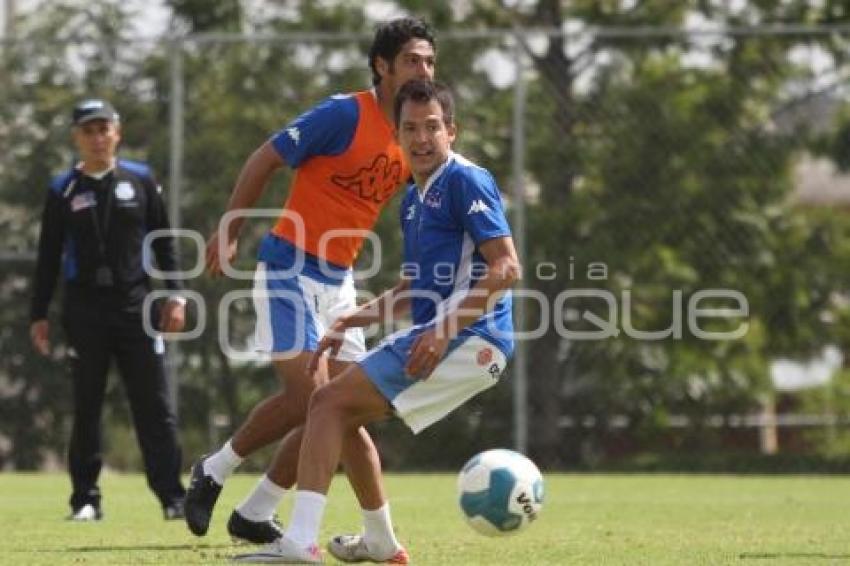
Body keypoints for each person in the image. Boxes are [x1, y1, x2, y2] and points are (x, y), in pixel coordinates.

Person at [232, 79, 520, 563]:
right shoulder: (413, 199)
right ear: (397, 133)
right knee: (341, 416)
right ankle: (382, 542)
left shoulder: (465, 179)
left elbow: (507, 267)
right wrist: (349, 320)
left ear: (452, 130)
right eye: (410, 128)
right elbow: (413, 289)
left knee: (326, 402)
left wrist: (444, 329)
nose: (421, 138)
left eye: (432, 127)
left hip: (472, 337)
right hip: (462, 340)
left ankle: (299, 542)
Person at [184, 18, 436, 557]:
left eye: (431, 62)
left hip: (340, 283)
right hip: (288, 269)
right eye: (414, 60)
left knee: (343, 409)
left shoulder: (414, 133)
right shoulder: (344, 114)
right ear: (382, 66)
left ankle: (256, 511)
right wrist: (229, 228)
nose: (425, 70)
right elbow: (266, 157)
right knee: (314, 399)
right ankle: (218, 469)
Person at [29, 99, 188, 521]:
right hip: (84, 311)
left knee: (154, 404)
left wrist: (176, 294)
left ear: (117, 132)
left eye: (104, 129)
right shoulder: (62, 188)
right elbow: (48, 256)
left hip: (136, 306)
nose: (98, 137)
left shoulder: (140, 179)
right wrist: (38, 314)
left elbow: (164, 242)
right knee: (87, 405)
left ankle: (173, 497)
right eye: (89, 130)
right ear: (76, 137)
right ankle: (85, 499)